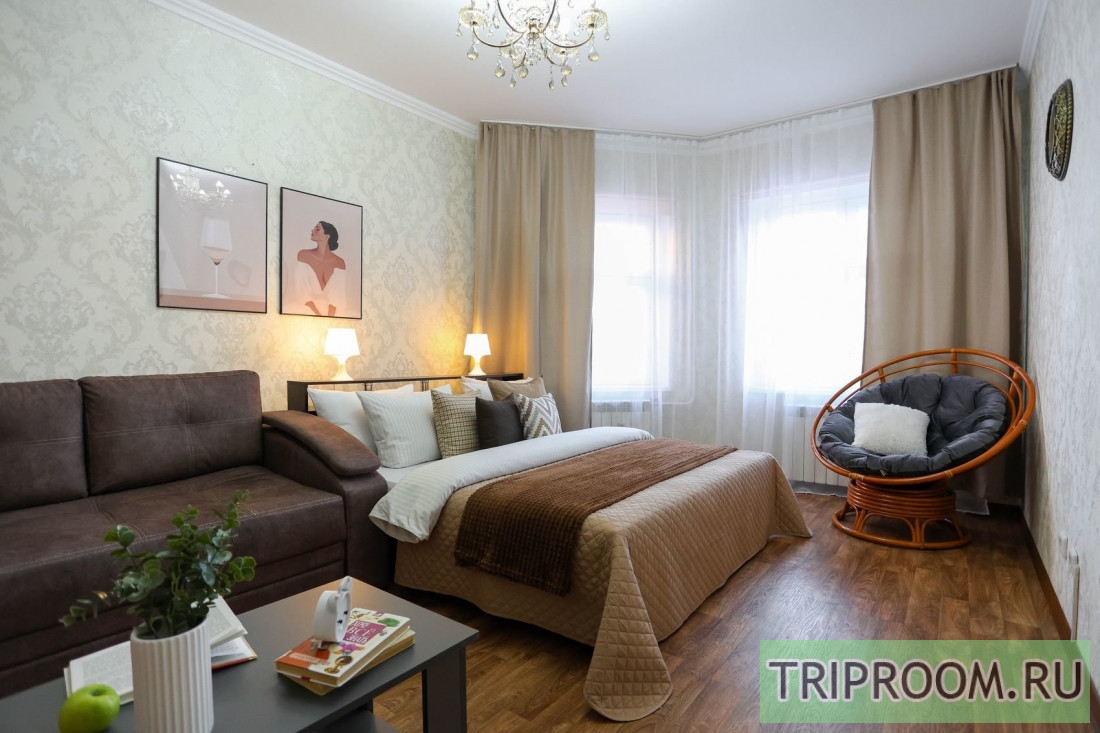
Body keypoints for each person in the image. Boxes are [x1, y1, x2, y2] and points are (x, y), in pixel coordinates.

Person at [293, 221, 347, 317]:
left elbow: (338, 296)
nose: (312, 230)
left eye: (317, 229)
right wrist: (318, 315)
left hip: (333, 315)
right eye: (314, 228)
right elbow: (302, 293)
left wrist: (329, 318)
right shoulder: (303, 255)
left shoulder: (340, 263)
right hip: (307, 311)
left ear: (327, 236)